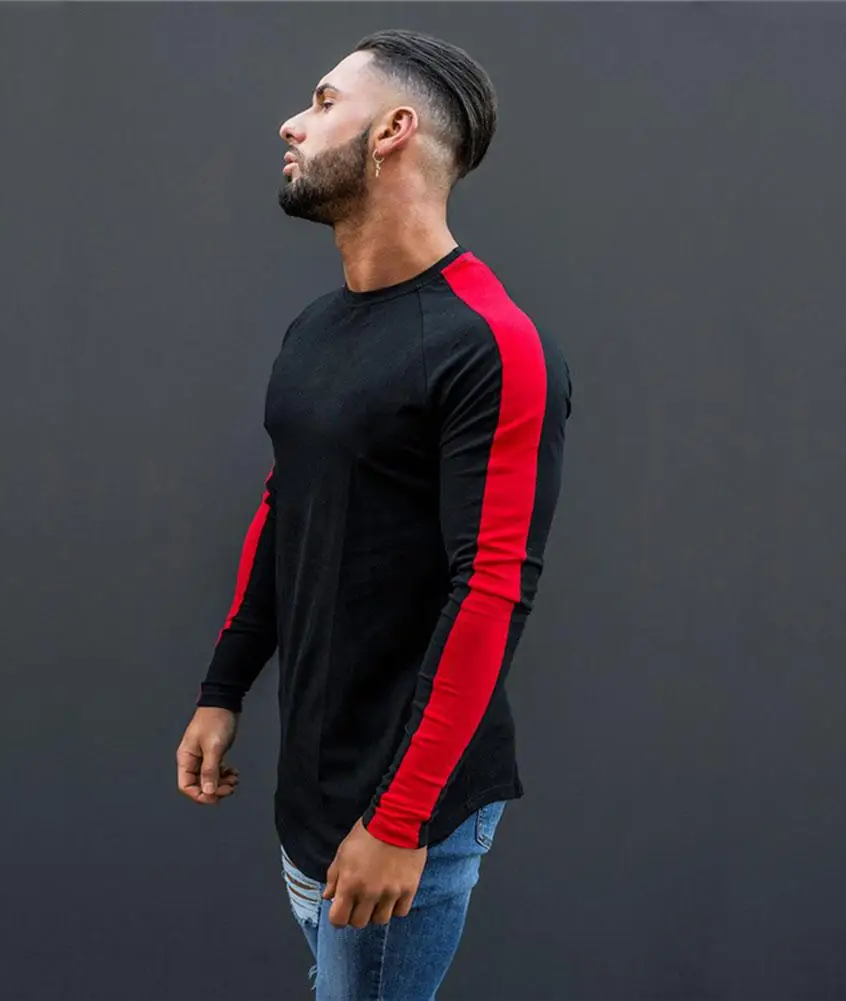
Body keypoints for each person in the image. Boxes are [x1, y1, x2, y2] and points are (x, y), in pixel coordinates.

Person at [176, 28, 573, 1000]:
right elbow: (285, 505)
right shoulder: (316, 328)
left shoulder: (491, 343)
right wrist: (225, 686)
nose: (291, 122)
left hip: (405, 808)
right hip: (314, 782)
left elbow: (489, 589)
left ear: (393, 130)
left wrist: (401, 818)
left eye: (321, 102)